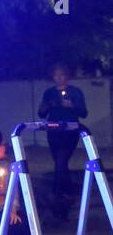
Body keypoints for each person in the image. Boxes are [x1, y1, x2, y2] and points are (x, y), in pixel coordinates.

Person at [37, 63, 87, 216]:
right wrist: (46, 107)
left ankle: (58, 192)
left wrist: (71, 106)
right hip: (53, 130)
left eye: (62, 75)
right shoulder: (49, 93)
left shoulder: (75, 92)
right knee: (60, 162)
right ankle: (67, 192)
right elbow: (41, 113)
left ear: (67, 76)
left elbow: (83, 113)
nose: (58, 78)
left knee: (61, 160)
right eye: (56, 75)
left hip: (70, 130)